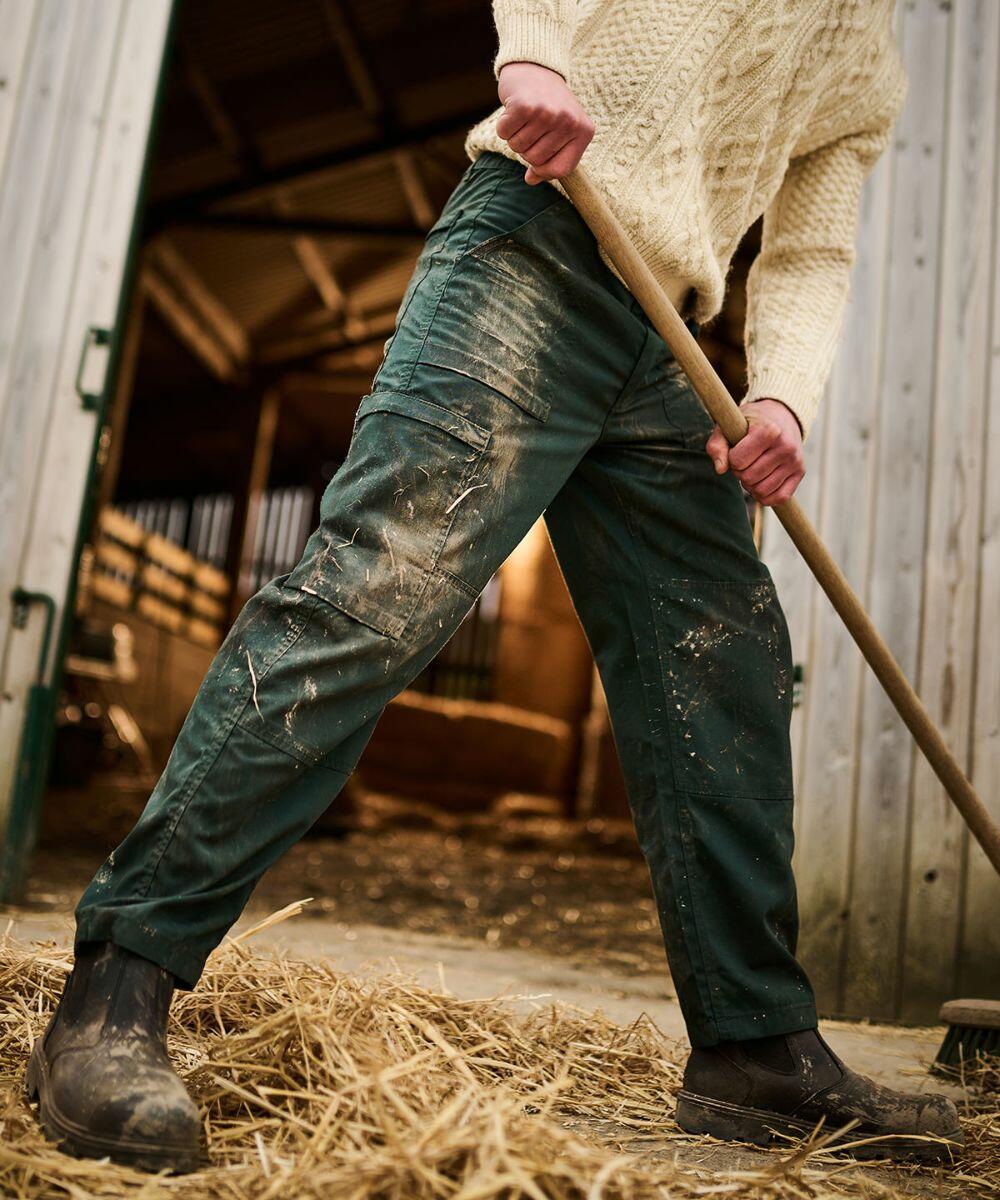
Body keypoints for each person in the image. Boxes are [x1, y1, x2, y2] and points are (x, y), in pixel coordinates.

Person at [27, 0, 962, 1174]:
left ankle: (754, 1050)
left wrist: (781, 397)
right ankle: (118, 987)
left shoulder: (865, 59)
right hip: (536, 238)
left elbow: (812, 249)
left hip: (661, 329)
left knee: (722, 668)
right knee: (377, 597)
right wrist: (533, 49)